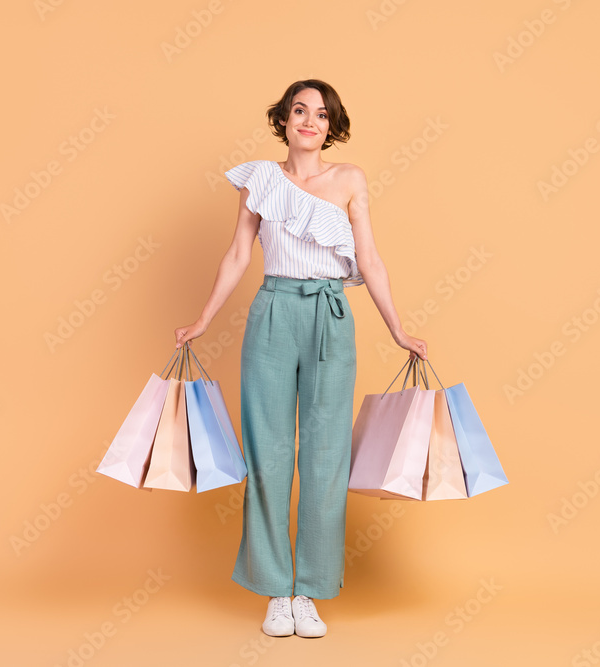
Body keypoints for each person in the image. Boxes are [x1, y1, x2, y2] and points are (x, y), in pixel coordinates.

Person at [174, 79, 427, 638]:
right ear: (283, 120)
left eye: (320, 113)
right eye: (299, 110)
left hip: (331, 315)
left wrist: (398, 329)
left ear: (330, 126)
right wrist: (203, 320)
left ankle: (309, 590)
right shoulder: (259, 180)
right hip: (272, 311)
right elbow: (239, 253)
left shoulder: (349, 180)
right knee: (268, 452)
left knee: (325, 454)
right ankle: (274, 590)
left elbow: (371, 260)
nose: (309, 121)